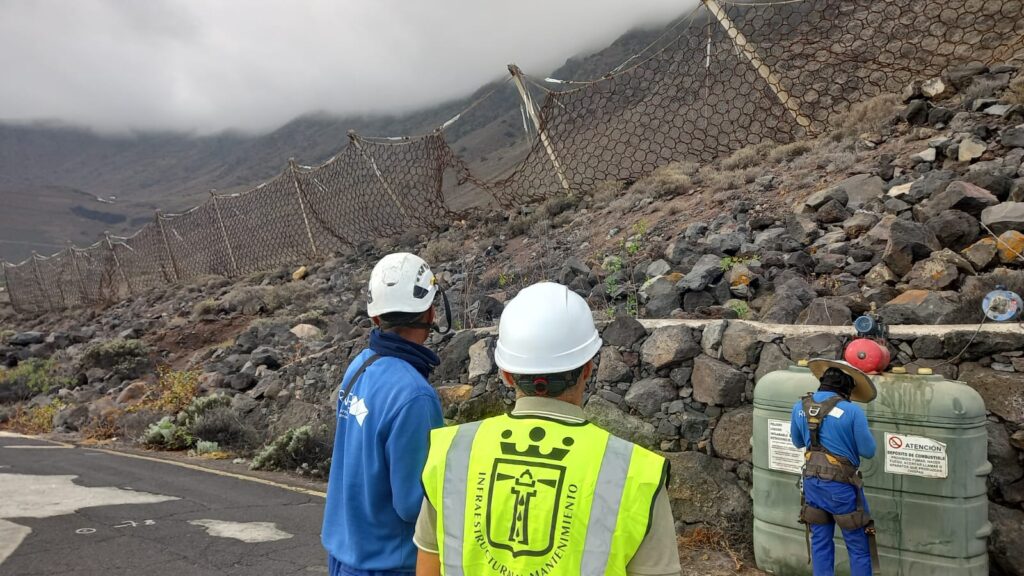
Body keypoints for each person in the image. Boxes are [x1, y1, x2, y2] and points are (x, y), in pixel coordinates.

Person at [413, 281, 682, 576]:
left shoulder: (451, 455)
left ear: (505, 374)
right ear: (589, 368)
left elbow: (428, 567)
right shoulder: (637, 475)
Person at [322, 253, 445, 576]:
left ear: (375, 318)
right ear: (431, 312)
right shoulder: (415, 396)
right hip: (389, 564)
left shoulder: (359, 366)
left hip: (344, 555)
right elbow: (412, 505)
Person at [790, 359, 879, 576]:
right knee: (858, 547)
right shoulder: (852, 411)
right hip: (842, 488)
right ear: (847, 389)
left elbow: (798, 442)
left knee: (820, 542)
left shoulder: (800, 406)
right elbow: (868, 451)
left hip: (812, 485)